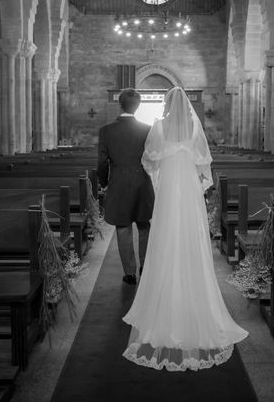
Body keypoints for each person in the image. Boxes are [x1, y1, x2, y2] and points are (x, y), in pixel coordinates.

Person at [122, 87, 248, 371]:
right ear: (187, 106)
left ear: (167, 104)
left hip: (168, 192)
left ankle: (163, 303)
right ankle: (195, 301)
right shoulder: (193, 126)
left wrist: (162, 174)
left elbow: (149, 160)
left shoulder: (159, 126)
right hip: (189, 193)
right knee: (191, 241)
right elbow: (204, 165)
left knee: (166, 240)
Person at [97, 88, 155, 285]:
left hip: (119, 183)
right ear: (138, 106)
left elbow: (102, 163)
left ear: (120, 104)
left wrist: (104, 183)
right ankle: (146, 267)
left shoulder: (106, 131)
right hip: (142, 182)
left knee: (123, 227)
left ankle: (129, 273)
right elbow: (152, 159)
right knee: (144, 224)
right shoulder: (148, 129)